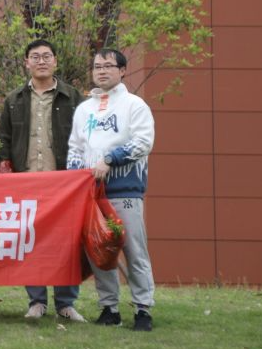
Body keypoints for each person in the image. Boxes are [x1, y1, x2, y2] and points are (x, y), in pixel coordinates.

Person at [0, 39, 87, 322]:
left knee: (66, 242)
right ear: (26, 63)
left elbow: (86, 137)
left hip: (64, 183)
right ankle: (36, 301)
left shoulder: (73, 98)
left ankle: (65, 303)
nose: (41, 61)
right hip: (26, 181)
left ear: (55, 61)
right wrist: (4, 169)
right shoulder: (14, 100)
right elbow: (3, 139)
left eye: (47, 56)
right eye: (35, 57)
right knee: (30, 240)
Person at [67, 49, 157, 332]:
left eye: (108, 66)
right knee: (99, 249)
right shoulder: (84, 110)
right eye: (97, 66)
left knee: (134, 250)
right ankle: (109, 308)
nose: (102, 71)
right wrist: (77, 176)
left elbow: (143, 142)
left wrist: (110, 159)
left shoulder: (135, 105)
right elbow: (75, 148)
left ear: (122, 70)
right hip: (91, 193)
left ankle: (143, 308)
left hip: (124, 190)